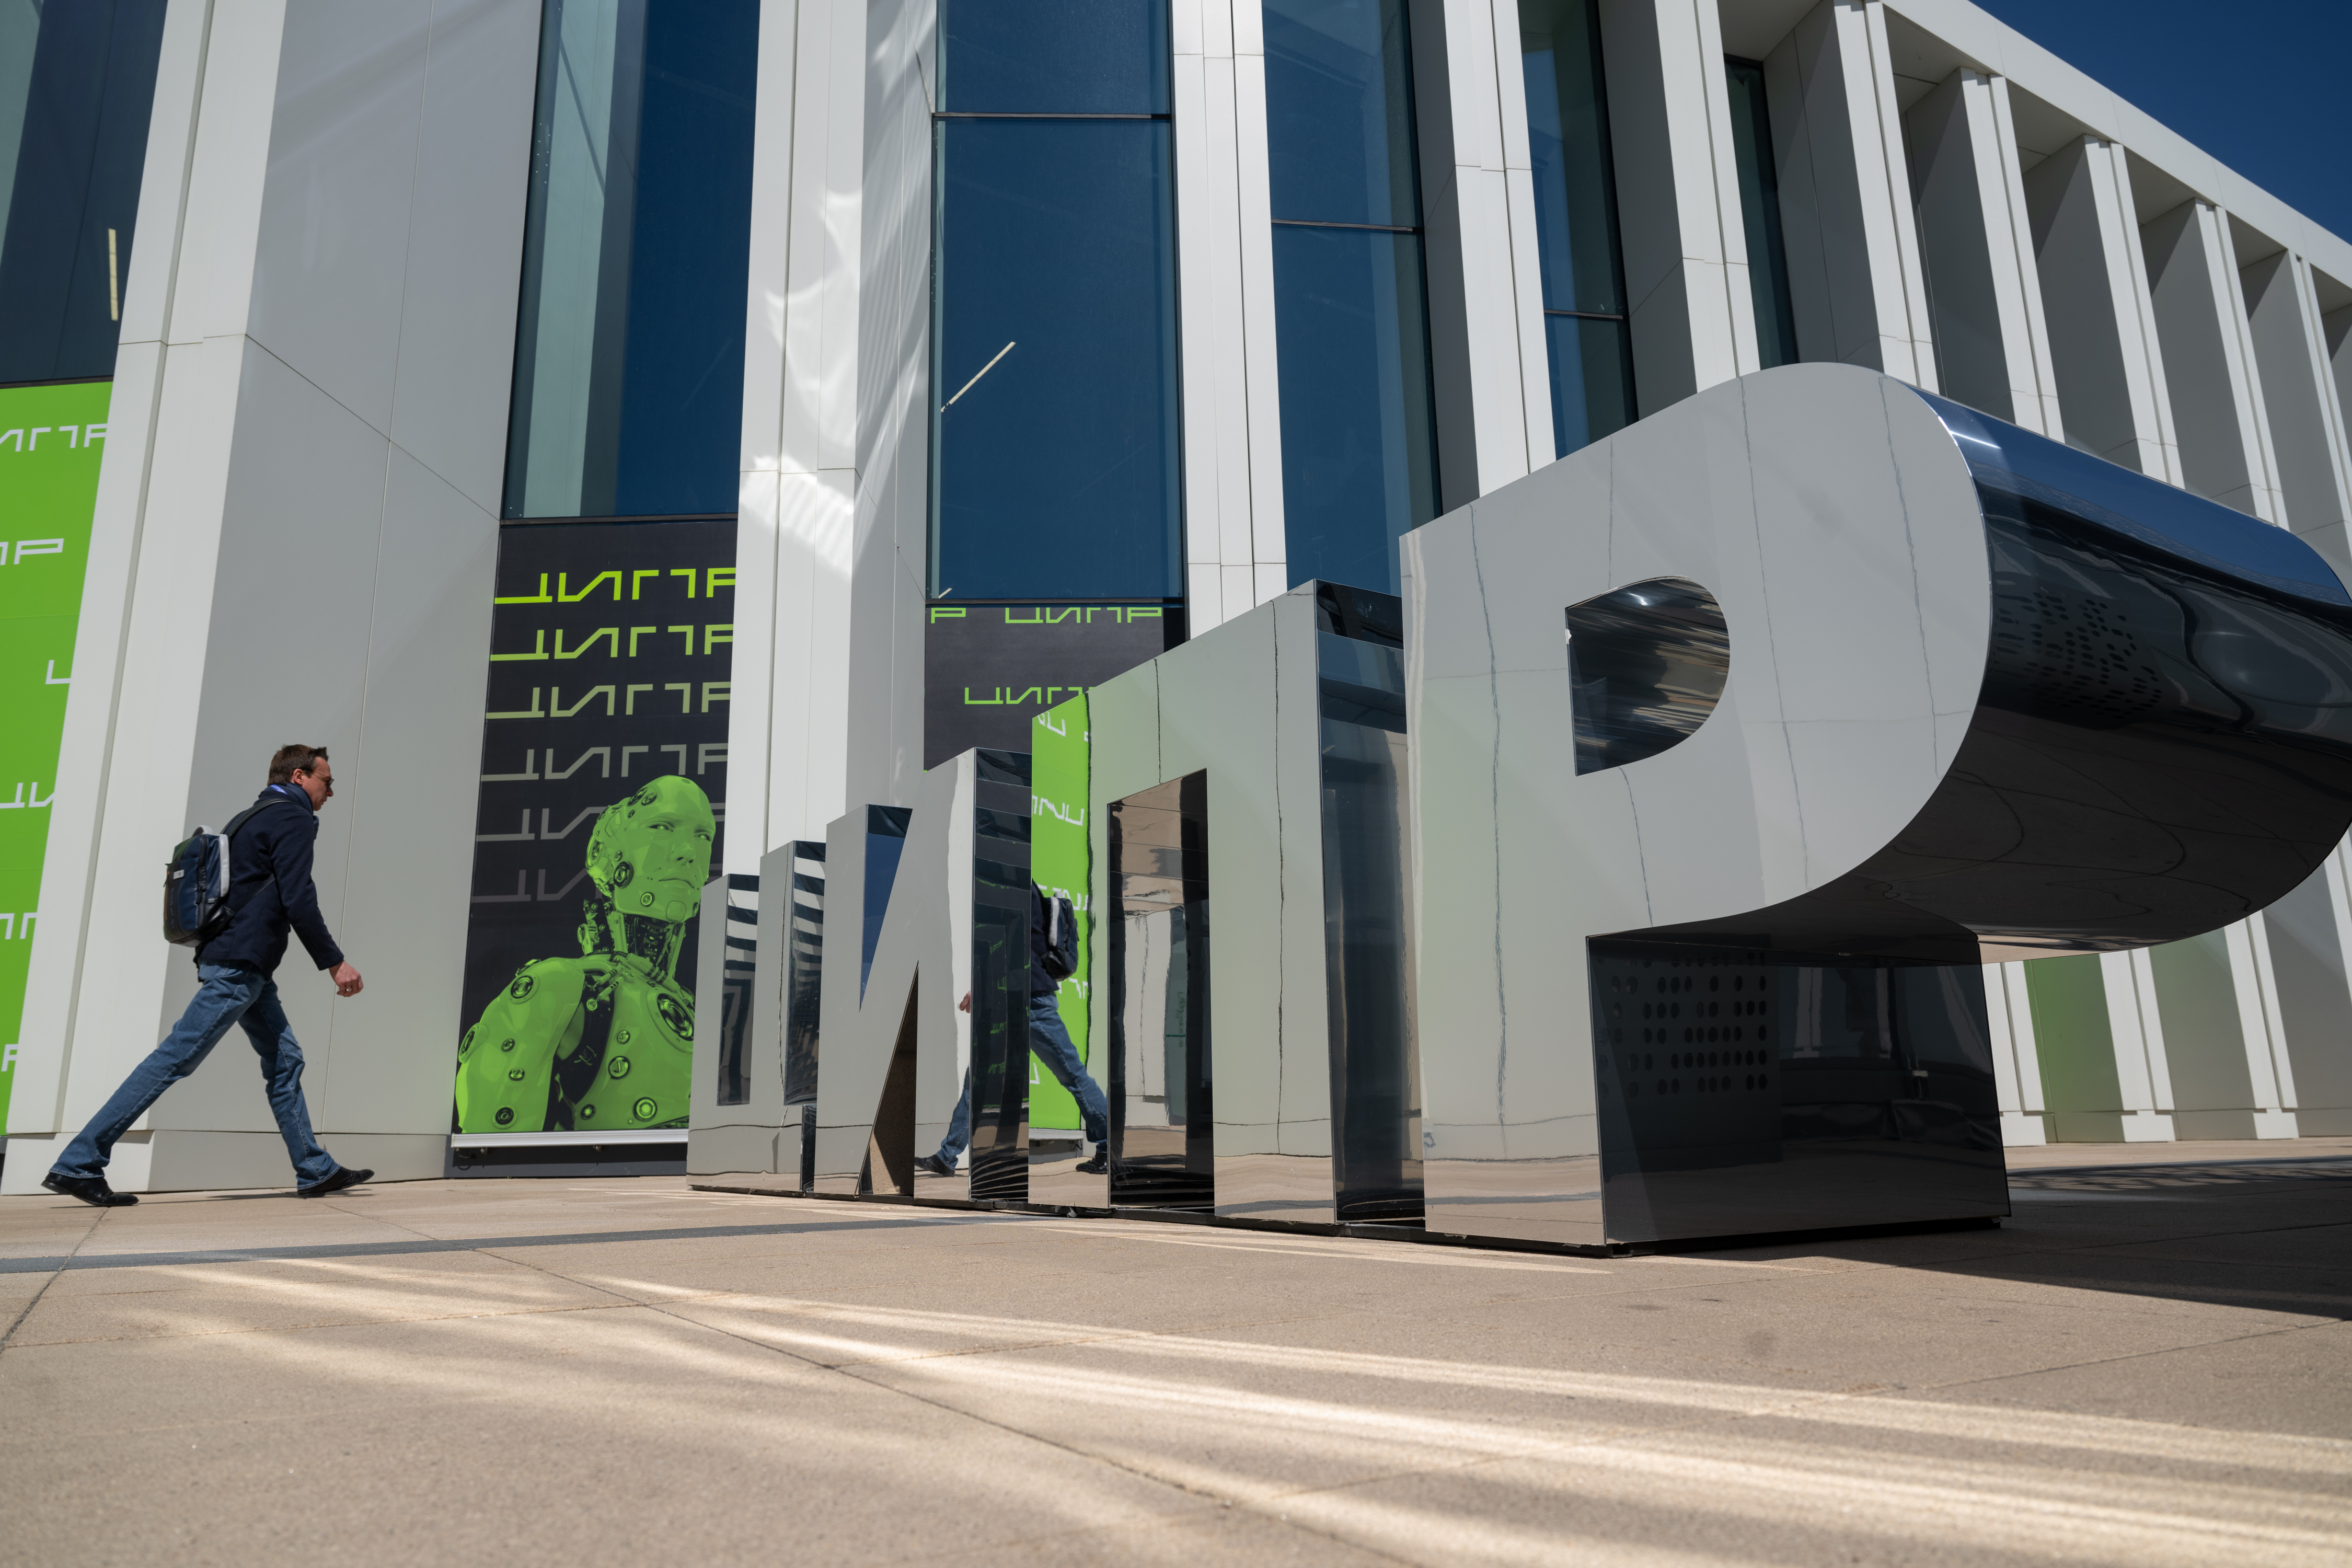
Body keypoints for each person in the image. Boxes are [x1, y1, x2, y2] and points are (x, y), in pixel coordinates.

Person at [42, 744, 371, 1206]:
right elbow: (299, 897)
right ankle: (78, 1163)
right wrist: (335, 962)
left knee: (285, 1061)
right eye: (327, 782)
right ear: (299, 776)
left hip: (240, 963)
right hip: (239, 967)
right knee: (173, 1059)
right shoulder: (292, 817)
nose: (330, 792)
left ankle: (314, 1168)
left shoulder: (250, 816)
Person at [454, 776, 713, 1134]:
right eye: (662, 827)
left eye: (704, 836)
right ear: (611, 854)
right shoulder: (563, 986)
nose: (688, 851)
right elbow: (491, 1144)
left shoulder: (694, 1008)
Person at [915, 884, 1109, 1178]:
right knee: (979, 1079)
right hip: (1012, 997)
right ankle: (947, 1156)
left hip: (1031, 999)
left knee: (1073, 1075)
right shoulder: (1013, 883)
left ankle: (1110, 1147)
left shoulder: (1015, 884)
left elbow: (1013, 946)